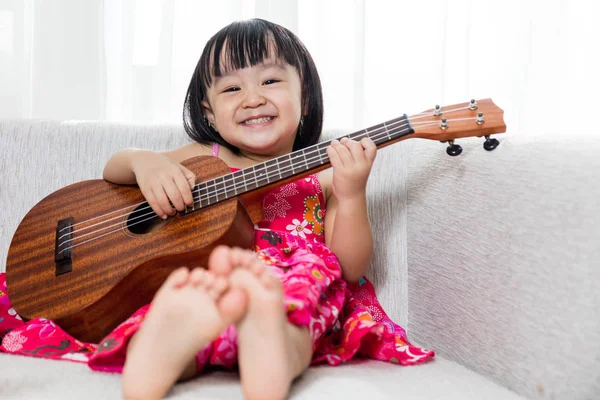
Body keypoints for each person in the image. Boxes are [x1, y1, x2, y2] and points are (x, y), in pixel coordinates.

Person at [0, 18, 434, 400]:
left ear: (305, 94)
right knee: (178, 301)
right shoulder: (203, 157)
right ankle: (165, 348)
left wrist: (352, 191)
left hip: (284, 283)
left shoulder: (326, 175)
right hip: (204, 279)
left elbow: (351, 267)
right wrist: (143, 162)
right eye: (231, 88)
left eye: (270, 82)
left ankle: (269, 343)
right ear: (209, 109)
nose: (251, 98)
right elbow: (115, 169)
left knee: (300, 311)